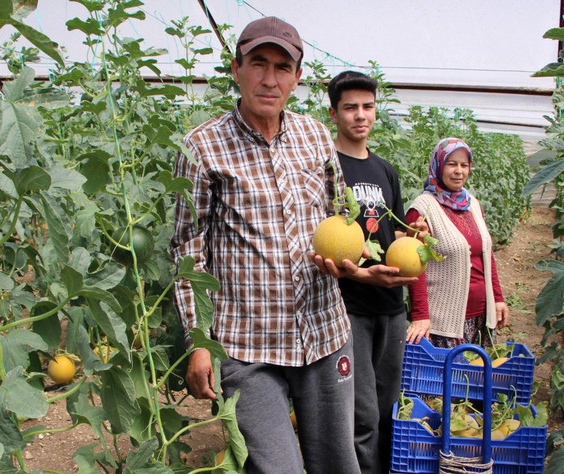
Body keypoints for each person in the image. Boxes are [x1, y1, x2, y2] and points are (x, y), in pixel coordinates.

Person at [170, 17, 361, 474]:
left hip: (325, 335)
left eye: (282, 67)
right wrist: (198, 343)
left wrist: (354, 262)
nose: (270, 78)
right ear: (236, 68)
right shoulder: (202, 146)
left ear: (297, 78)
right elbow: (186, 247)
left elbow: (342, 215)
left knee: (339, 463)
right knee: (277, 468)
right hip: (247, 347)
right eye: (258, 63)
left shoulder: (316, 136)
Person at [317, 70, 427, 474]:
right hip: (350, 307)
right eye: (350, 108)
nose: (360, 115)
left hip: (391, 306)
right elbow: (322, 238)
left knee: (387, 407)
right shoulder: (326, 169)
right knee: (361, 415)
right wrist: (359, 273)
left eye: (367, 106)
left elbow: (394, 231)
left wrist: (414, 237)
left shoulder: (385, 170)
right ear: (333, 113)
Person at [405, 137, 509, 348]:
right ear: (438, 165)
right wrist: (420, 315)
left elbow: (486, 255)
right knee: (449, 380)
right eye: (451, 164)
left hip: (481, 317)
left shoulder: (472, 204)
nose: (458, 171)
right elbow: (415, 268)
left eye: (464, 165)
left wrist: (497, 298)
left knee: (478, 378)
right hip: (444, 323)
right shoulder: (422, 209)